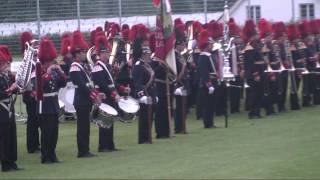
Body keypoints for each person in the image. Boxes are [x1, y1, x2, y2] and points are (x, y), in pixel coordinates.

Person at [32, 37, 67, 164]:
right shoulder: (37, 71)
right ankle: (45, 156)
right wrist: (47, 73)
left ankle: (52, 155)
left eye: (51, 61)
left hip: (53, 104)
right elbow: (39, 87)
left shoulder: (54, 71)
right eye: (48, 61)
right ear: (44, 62)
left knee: (54, 133)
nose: (51, 63)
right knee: (46, 133)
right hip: (44, 105)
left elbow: (63, 83)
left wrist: (61, 72)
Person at [69, 31, 97, 158]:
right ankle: (82, 151)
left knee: (86, 127)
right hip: (81, 100)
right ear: (76, 54)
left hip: (85, 100)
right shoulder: (75, 67)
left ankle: (86, 149)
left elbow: (88, 83)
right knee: (82, 127)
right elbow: (82, 86)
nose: (84, 54)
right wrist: (94, 96)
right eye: (81, 53)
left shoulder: (82, 66)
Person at [91, 34, 120, 152]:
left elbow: (111, 82)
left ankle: (110, 144)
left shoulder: (107, 66)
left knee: (110, 120)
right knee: (104, 122)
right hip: (104, 97)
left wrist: (120, 89)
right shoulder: (98, 67)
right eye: (106, 53)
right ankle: (103, 146)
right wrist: (113, 94)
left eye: (108, 53)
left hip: (110, 96)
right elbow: (102, 84)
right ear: (101, 54)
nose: (108, 55)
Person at [0, 48, 21, 172]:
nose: (6, 65)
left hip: (9, 109)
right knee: (5, 139)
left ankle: (12, 162)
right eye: (4, 63)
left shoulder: (6, 77)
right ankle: (6, 164)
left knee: (12, 136)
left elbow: (15, 89)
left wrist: (17, 85)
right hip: (2, 110)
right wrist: (10, 90)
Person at [19, 32, 41, 153]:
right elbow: (26, 80)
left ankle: (35, 144)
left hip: (35, 95)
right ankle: (32, 146)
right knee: (33, 121)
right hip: (30, 95)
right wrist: (33, 92)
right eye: (34, 46)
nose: (37, 48)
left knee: (36, 120)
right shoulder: (27, 63)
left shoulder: (35, 61)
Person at [132, 45, 156, 144]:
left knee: (150, 117)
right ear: (143, 54)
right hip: (144, 94)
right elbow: (138, 82)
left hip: (150, 93)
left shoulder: (147, 65)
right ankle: (143, 138)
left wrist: (155, 94)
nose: (149, 55)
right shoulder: (138, 66)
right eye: (148, 54)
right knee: (144, 118)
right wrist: (141, 95)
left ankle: (148, 136)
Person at [242, 20, 265, 119]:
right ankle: (252, 112)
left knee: (259, 93)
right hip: (254, 74)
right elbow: (251, 63)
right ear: (252, 36)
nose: (258, 36)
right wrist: (256, 74)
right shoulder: (249, 48)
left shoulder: (256, 46)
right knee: (254, 94)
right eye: (256, 34)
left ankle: (257, 111)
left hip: (260, 72)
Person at [197, 30, 217, 128]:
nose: (212, 46)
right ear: (206, 45)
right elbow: (204, 73)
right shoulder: (203, 57)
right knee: (207, 105)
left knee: (211, 104)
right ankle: (207, 123)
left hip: (212, 81)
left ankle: (211, 122)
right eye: (210, 44)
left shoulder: (209, 55)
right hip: (206, 84)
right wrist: (209, 85)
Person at [174, 24, 189, 134]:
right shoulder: (174, 55)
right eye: (183, 44)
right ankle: (179, 127)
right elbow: (176, 71)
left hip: (184, 82)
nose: (184, 46)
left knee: (183, 107)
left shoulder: (180, 55)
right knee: (179, 108)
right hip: (178, 83)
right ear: (178, 44)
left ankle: (182, 126)